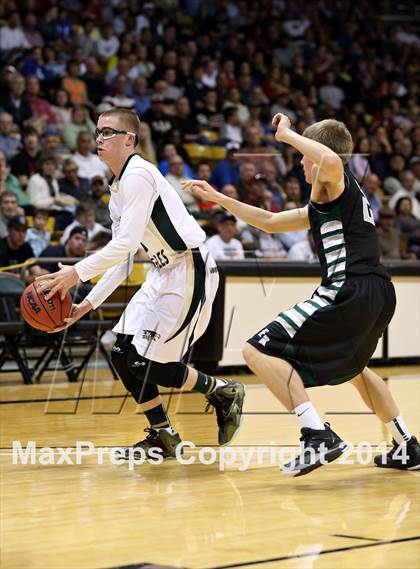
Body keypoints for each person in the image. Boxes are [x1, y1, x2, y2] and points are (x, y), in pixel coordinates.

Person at [183, 113, 419, 476]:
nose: (300, 163)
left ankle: (316, 434)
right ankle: (407, 445)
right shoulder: (330, 201)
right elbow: (271, 222)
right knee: (356, 369)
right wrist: (217, 198)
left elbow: (327, 160)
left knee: (255, 350)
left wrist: (287, 134)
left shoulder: (337, 178)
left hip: (349, 287)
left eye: (303, 156)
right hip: (378, 291)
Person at [36, 108, 245, 461]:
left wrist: (77, 273)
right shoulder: (118, 187)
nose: (99, 138)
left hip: (188, 267)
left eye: (108, 132)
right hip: (161, 272)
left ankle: (223, 390)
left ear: (129, 139)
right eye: (97, 132)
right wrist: (84, 306)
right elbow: (123, 259)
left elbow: (126, 245)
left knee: (148, 363)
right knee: (122, 354)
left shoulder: (139, 175)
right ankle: (163, 435)